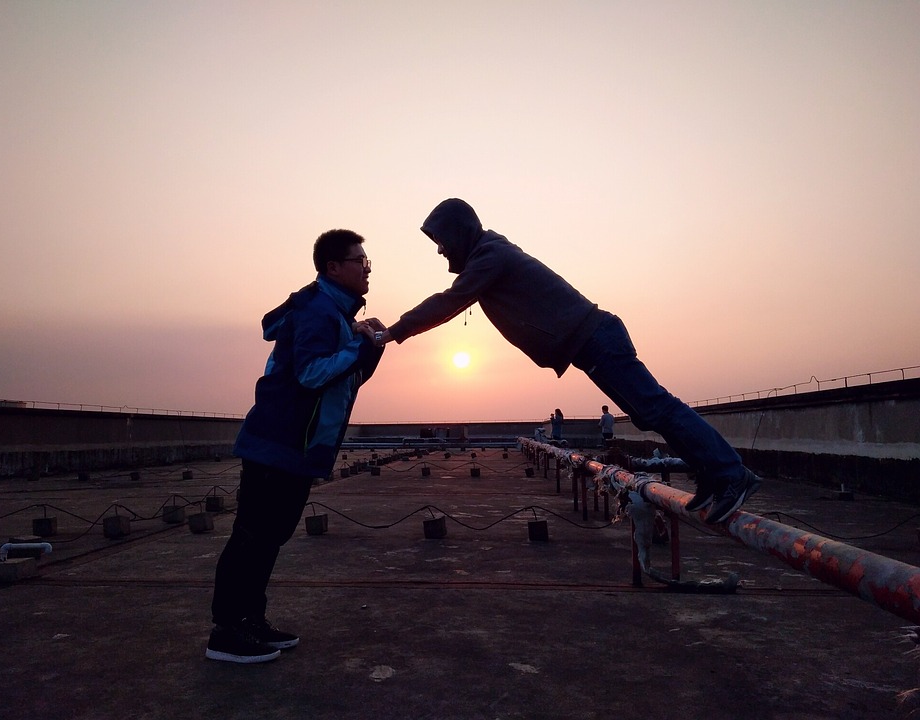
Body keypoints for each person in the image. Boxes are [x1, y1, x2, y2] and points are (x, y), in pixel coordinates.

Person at [374, 198, 759, 525]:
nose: (440, 250)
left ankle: (730, 473)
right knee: (649, 414)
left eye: (441, 241)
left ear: (459, 232)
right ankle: (712, 476)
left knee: (656, 407)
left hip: (597, 339)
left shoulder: (489, 255)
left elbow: (449, 301)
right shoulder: (489, 253)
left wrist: (392, 332)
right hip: (592, 344)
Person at [206, 229, 385, 664]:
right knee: (252, 537)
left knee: (269, 538)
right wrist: (361, 345)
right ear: (333, 268)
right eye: (360, 261)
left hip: (297, 450)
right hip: (277, 444)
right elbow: (310, 374)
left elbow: (342, 381)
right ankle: (227, 632)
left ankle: (251, 621)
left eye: (368, 262)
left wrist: (367, 348)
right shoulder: (319, 310)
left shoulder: (335, 314)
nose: (367, 269)